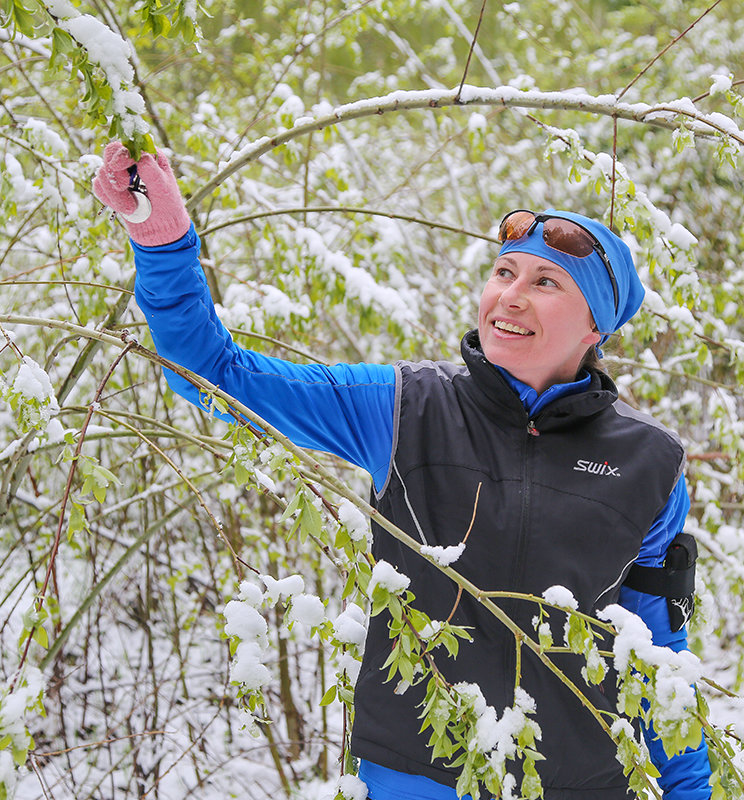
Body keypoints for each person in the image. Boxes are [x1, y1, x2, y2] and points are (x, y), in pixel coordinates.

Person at [92, 143, 712, 800]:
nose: (512, 297)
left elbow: (659, 665)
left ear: (595, 325)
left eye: (545, 283)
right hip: (418, 777)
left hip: (580, 784)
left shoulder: (650, 463)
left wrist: (688, 791)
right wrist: (162, 244)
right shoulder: (403, 406)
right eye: (504, 273)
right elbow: (214, 376)